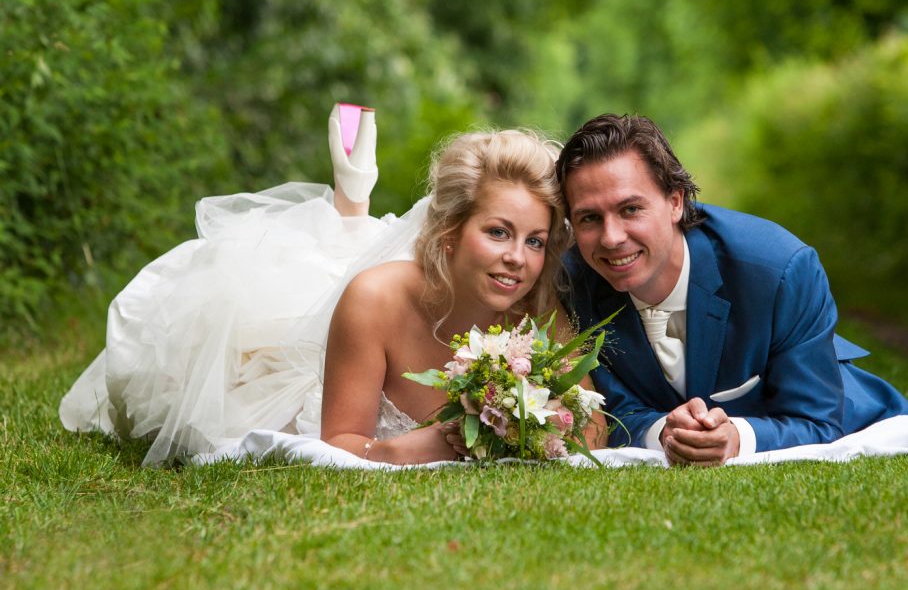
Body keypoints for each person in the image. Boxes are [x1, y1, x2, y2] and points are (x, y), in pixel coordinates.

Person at [60, 104, 598, 466]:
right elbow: (341, 443)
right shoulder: (377, 299)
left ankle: (352, 205)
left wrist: (528, 429)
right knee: (237, 351)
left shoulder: (538, 309)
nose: (517, 260)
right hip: (282, 368)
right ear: (452, 233)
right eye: (498, 232)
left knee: (346, 242)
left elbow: (592, 428)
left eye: (534, 241)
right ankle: (350, 202)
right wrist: (431, 445)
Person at [557, 113, 908, 466]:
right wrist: (662, 432)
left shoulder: (780, 269)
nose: (612, 237)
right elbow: (607, 413)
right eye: (590, 218)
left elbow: (817, 418)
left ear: (675, 201)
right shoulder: (570, 285)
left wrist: (739, 436)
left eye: (631, 209)